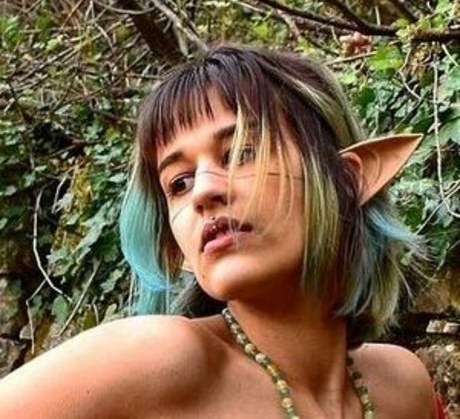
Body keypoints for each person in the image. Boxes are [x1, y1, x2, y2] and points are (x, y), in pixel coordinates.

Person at [0, 45, 445, 419]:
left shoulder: (403, 387)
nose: (204, 191)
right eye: (179, 183)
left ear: (346, 180)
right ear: (178, 250)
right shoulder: (158, 358)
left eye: (240, 153)